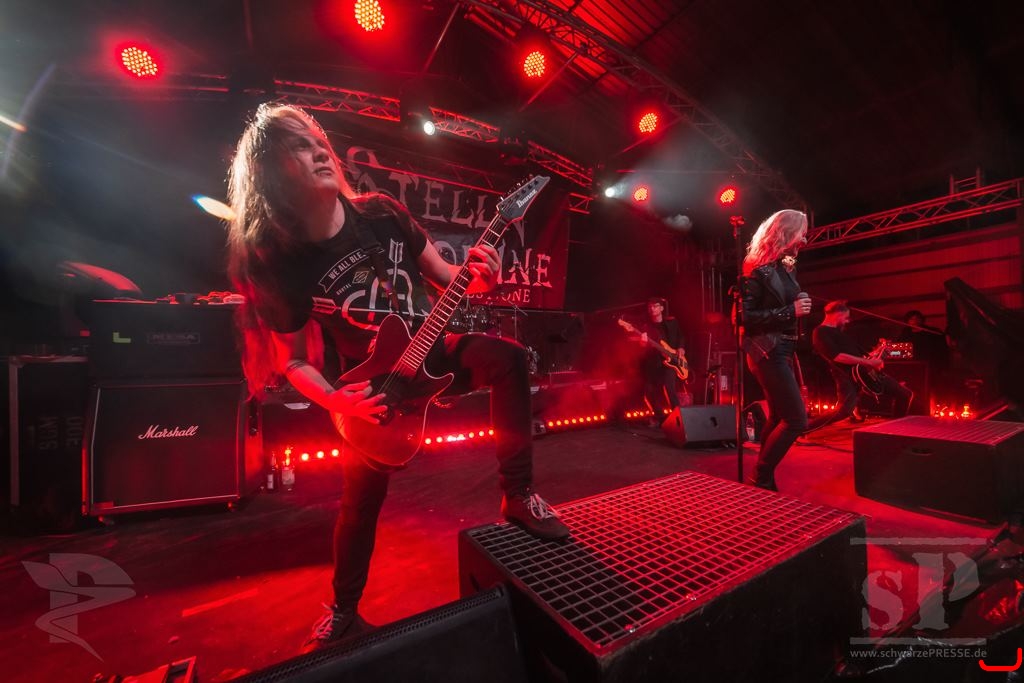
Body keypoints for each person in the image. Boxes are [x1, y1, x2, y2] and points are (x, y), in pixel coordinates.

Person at [225, 103, 569, 650]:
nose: (319, 151)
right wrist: (338, 400)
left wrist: (481, 279)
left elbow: (448, 276)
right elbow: (292, 360)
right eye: (298, 146)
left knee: (507, 358)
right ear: (271, 172)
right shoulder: (279, 260)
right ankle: (343, 610)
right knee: (360, 502)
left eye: (318, 140)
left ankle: (518, 494)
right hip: (373, 389)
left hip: (433, 349)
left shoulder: (382, 213)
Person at [740, 209, 812, 491]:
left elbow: (783, 296)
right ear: (787, 232)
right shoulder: (756, 268)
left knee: (779, 417)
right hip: (767, 350)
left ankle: (763, 479)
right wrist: (790, 310)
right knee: (796, 420)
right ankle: (760, 477)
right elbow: (745, 317)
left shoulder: (786, 265)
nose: (804, 239)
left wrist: (798, 299)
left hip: (782, 349)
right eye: (801, 232)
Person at [805, 300, 913, 431]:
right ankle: (803, 429)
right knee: (843, 411)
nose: (847, 321)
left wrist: (878, 352)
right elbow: (837, 356)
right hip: (846, 375)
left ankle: (895, 429)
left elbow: (861, 355)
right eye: (846, 317)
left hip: (864, 373)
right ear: (838, 314)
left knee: (904, 394)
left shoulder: (840, 333)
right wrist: (870, 362)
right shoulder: (820, 332)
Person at [633, 297, 687, 419]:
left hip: (672, 361)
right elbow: (643, 346)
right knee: (649, 392)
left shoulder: (672, 323)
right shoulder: (646, 327)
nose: (652, 308)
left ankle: (679, 418)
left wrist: (681, 348)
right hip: (655, 362)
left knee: (669, 388)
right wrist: (642, 342)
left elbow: (681, 336)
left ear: (661, 308)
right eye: (650, 307)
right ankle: (661, 419)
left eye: (655, 306)